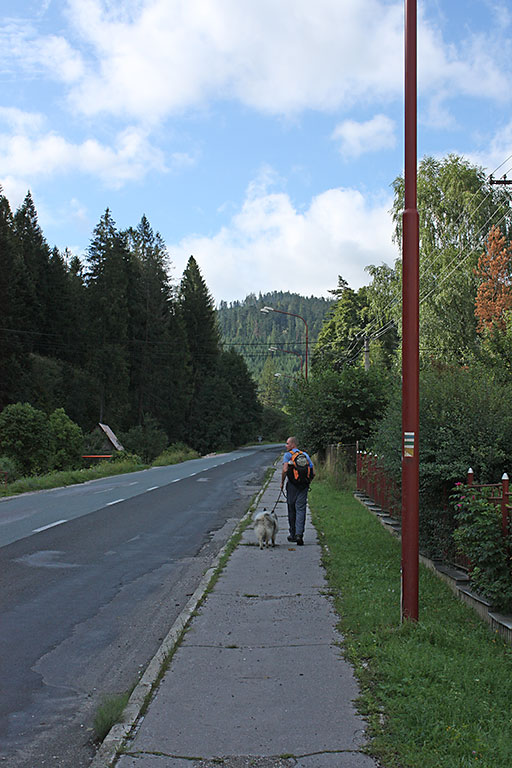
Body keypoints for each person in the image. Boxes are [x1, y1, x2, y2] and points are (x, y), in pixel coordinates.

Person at [280, 436, 314, 546]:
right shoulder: (305, 455)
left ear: (293, 444)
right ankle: (300, 534)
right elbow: (313, 472)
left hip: (292, 486)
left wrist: (282, 482)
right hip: (303, 486)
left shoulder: (288, 455)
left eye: (287, 443)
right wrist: (307, 482)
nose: (286, 446)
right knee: (301, 509)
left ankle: (293, 534)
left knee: (291, 509)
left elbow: (285, 470)